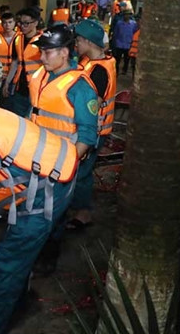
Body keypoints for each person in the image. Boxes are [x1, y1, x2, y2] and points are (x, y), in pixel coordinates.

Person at [0, 100, 79, 334]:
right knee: (17, 259)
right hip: (59, 165)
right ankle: (16, 300)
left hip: (50, 191)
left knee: (7, 264)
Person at [28, 24, 99, 273]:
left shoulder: (80, 87)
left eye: (48, 52)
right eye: (42, 51)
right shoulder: (43, 77)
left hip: (60, 165)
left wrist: (67, 164)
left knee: (53, 216)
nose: (42, 56)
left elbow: (88, 135)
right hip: (36, 159)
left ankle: (48, 258)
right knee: (36, 212)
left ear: (65, 53)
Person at [70, 20, 116, 229]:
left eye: (78, 40)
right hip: (93, 128)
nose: (76, 44)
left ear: (88, 41)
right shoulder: (92, 62)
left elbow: (92, 106)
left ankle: (83, 213)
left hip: (94, 130)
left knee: (82, 172)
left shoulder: (99, 71)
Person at [3, 8, 43, 117]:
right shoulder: (18, 39)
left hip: (36, 89)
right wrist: (7, 82)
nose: (23, 26)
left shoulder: (42, 41)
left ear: (35, 23)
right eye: (21, 23)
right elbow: (15, 62)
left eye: (27, 23)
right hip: (19, 88)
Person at [112, 10, 138, 76]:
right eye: (125, 14)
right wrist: (114, 42)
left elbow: (135, 33)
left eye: (128, 15)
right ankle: (116, 72)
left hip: (128, 44)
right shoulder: (119, 23)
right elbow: (115, 33)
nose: (127, 16)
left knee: (127, 60)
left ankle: (124, 70)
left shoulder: (133, 24)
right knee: (117, 59)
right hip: (119, 44)